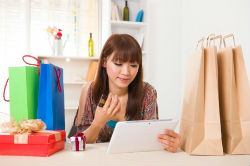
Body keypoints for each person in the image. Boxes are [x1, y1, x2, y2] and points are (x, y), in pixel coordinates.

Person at [73, 34, 181, 153]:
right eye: (118, 64)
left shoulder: (147, 92)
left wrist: (169, 142)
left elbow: (151, 140)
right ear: (104, 62)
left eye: (133, 65)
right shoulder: (90, 90)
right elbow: (78, 144)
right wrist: (97, 123)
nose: (126, 72)